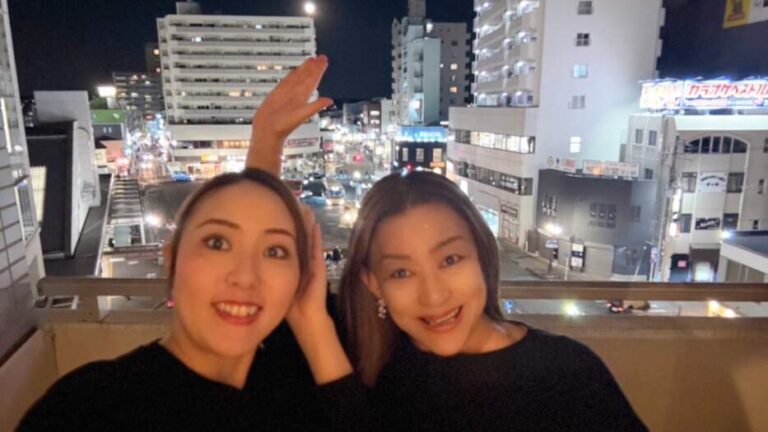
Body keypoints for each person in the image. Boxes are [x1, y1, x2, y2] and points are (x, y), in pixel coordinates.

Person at [248, 55, 647, 431]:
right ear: (373, 283)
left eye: (450, 259)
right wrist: (266, 142)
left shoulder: (567, 375)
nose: (434, 295)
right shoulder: (353, 349)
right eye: (401, 272)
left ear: (481, 255)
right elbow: (256, 291)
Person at [17, 167, 347, 431]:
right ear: (172, 261)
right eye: (217, 243)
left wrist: (313, 320)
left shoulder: (294, 395)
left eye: (275, 251)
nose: (245, 276)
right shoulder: (90, 408)